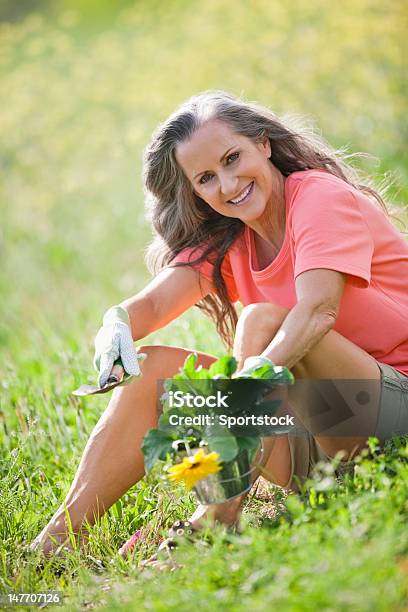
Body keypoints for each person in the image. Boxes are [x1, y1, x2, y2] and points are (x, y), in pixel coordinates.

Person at [32, 90, 408, 558]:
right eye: (207, 178)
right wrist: (116, 324)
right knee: (149, 371)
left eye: (233, 159)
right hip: (316, 440)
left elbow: (318, 311)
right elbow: (152, 304)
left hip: (392, 416)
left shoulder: (317, 196)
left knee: (263, 321)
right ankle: (55, 542)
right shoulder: (230, 235)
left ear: (264, 144)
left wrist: (247, 387)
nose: (228, 186)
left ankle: (214, 520)